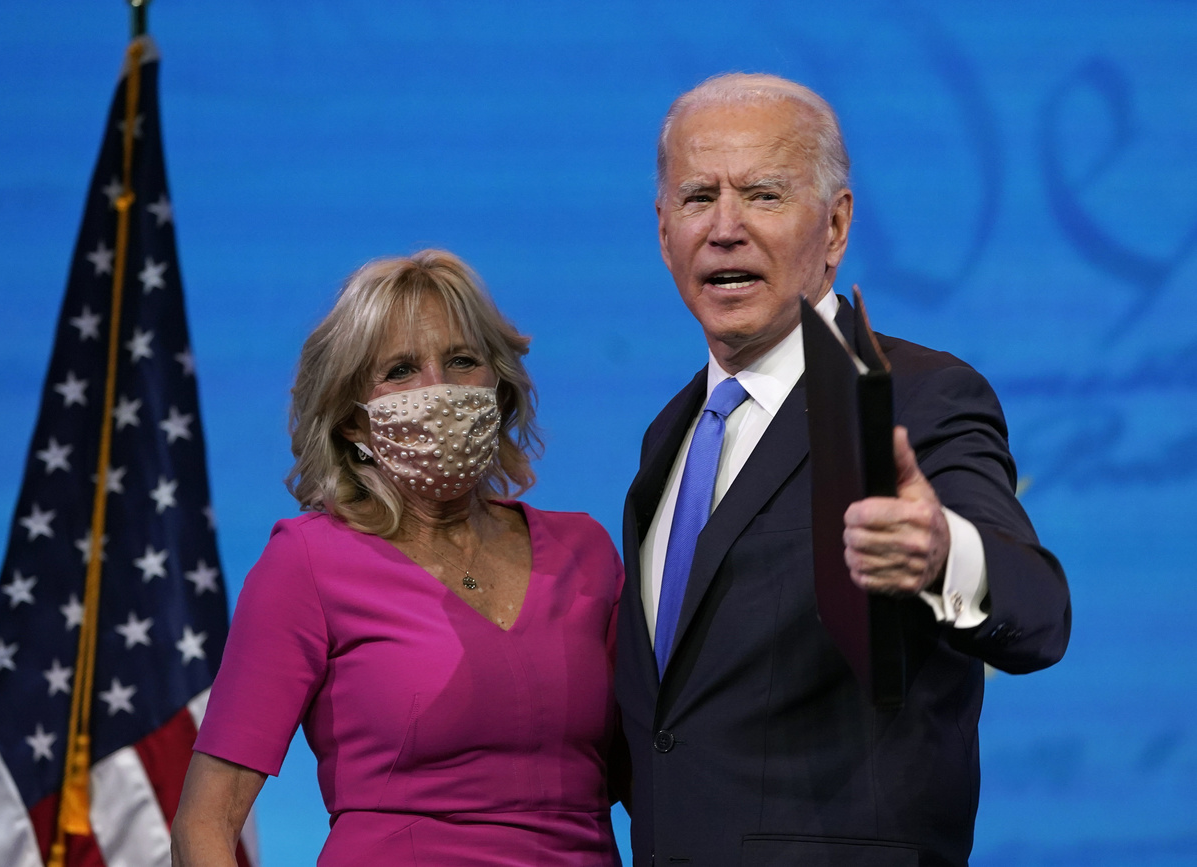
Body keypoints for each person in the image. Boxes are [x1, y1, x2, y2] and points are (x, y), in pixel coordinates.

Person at [615, 73, 1071, 866]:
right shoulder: (670, 436)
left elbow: (1039, 611)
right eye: (696, 198)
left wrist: (939, 556)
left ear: (835, 226)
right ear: (662, 231)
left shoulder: (916, 397)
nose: (724, 228)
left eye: (762, 194)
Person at [171, 250, 625, 866]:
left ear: (498, 385)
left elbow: (654, 772)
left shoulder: (586, 553)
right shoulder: (307, 563)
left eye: (462, 361)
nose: (437, 390)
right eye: (401, 370)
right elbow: (206, 821)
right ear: (352, 420)